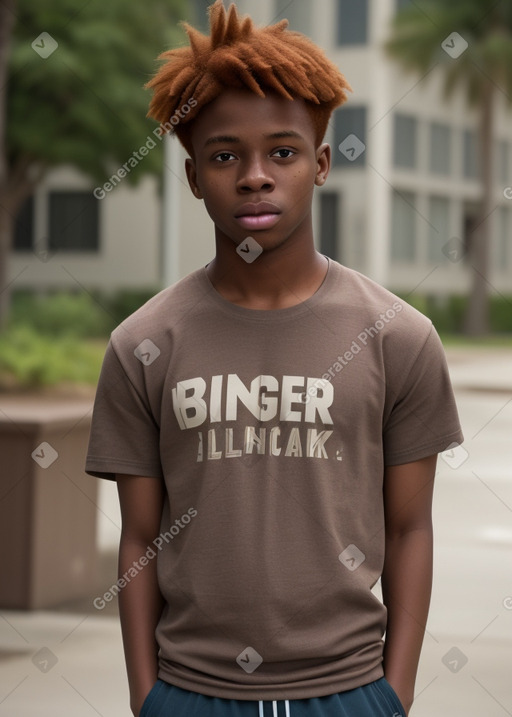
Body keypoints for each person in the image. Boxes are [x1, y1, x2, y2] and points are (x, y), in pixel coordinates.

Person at [85, 2, 463, 716]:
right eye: (225, 155)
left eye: (282, 152)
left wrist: (395, 695)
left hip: (350, 692)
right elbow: (139, 537)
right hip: (191, 693)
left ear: (320, 164)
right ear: (195, 176)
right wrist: (147, 700)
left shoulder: (398, 336)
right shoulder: (144, 343)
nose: (255, 176)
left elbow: (411, 527)